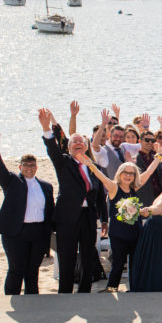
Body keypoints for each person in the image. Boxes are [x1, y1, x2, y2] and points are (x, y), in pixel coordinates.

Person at [38, 108, 108, 293]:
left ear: (86, 146)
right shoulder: (63, 162)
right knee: (67, 256)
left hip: (87, 217)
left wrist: (105, 219)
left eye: (81, 141)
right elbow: (51, 148)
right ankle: (65, 291)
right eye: (74, 141)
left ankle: (85, 290)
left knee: (87, 256)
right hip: (67, 217)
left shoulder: (93, 166)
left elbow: (100, 194)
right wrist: (46, 128)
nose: (78, 143)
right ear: (69, 147)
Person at [80, 146, 162, 292]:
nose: (128, 176)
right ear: (120, 174)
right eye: (125, 173)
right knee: (118, 264)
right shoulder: (114, 188)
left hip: (135, 232)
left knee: (135, 263)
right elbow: (102, 177)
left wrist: (158, 157)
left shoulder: (135, 188)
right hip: (118, 234)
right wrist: (90, 165)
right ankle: (111, 288)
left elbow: (148, 172)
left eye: (131, 174)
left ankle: (135, 289)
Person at [0, 130, 53, 295]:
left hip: (38, 233)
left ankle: (32, 301)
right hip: (16, 233)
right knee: (16, 269)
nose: (29, 168)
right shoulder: (12, 181)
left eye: (32, 165)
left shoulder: (46, 186)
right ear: (20, 167)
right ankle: (12, 297)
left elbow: (50, 211)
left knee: (32, 271)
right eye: (26, 165)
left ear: (36, 167)